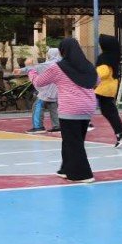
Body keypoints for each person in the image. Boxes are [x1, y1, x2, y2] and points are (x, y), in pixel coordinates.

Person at [27, 37, 97, 183]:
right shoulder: (88, 66)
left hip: (70, 108)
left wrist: (31, 70)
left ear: (62, 51)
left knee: (74, 142)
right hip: (88, 106)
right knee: (71, 140)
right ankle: (65, 169)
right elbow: (97, 81)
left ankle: (83, 174)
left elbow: (39, 82)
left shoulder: (58, 67)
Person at [96, 35, 122, 148]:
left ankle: (121, 133)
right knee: (109, 110)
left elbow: (104, 72)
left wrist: (93, 75)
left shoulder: (103, 57)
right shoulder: (114, 55)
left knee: (106, 110)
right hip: (111, 87)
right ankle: (120, 133)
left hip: (103, 87)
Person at [19, 48, 61, 134]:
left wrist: (24, 67)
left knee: (37, 105)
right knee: (53, 107)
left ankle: (38, 126)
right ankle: (57, 126)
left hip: (47, 90)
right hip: (56, 91)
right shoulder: (60, 63)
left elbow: (35, 68)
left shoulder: (49, 64)